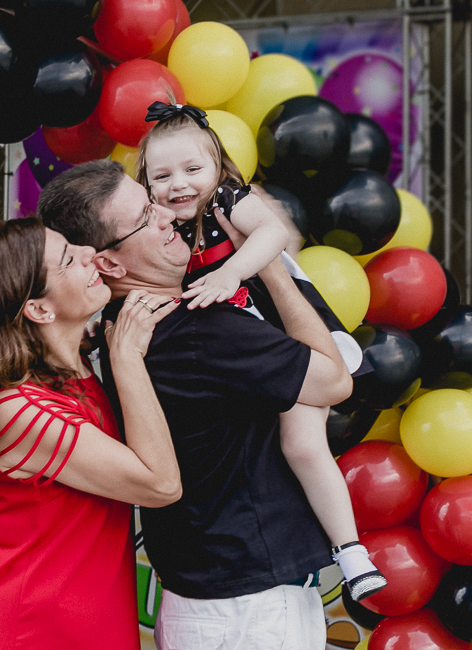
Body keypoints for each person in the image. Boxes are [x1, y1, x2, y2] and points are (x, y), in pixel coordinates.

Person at [39, 159, 354, 650]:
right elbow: (334, 381)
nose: (167, 214)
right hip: (251, 606)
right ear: (109, 264)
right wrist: (269, 267)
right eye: (146, 217)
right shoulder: (199, 330)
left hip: (205, 595)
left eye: (153, 202)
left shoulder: (121, 327)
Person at [135, 102, 386, 602]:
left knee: (302, 443)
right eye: (161, 175)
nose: (179, 184)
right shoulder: (160, 224)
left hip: (278, 328)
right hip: (233, 345)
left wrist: (231, 272)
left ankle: (351, 549)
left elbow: (271, 231)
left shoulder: (228, 198)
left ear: (219, 168)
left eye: (193, 169)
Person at [0, 217, 181, 650]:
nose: (88, 254)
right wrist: (128, 357)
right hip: (29, 630)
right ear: (39, 309)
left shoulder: (75, 374)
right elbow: (161, 484)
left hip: (84, 623)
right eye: (68, 259)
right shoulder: (19, 410)